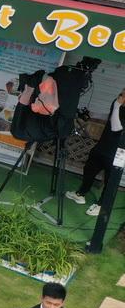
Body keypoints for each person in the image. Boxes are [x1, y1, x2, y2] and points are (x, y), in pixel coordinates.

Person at [66, 89, 124, 217]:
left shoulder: (117, 105)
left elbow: (116, 128)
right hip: (102, 147)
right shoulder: (117, 104)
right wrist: (92, 114)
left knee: (109, 180)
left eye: (123, 93)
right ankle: (80, 194)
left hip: (117, 152)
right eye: (121, 92)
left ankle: (102, 205)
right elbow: (110, 117)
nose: (120, 94)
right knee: (89, 169)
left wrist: (117, 105)